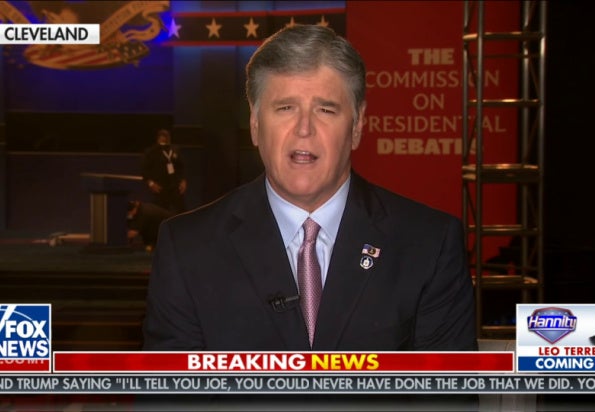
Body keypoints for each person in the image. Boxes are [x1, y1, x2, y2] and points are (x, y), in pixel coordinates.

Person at [143, 25, 476, 353]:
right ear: (255, 124)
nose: (304, 129)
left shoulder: (430, 245)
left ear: (357, 125)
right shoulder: (186, 248)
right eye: (285, 108)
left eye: (325, 109)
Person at [141, 129, 187, 215]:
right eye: (161, 137)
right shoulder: (151, 152)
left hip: (175, 186)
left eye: (166, 136)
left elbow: (181, 166)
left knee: (181, 211)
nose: (164, 139)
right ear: (157, 138)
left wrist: (183, 180)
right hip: (160, 187)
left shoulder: (175, 149)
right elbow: (144, 169)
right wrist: (151, 183)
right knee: (161, 212)